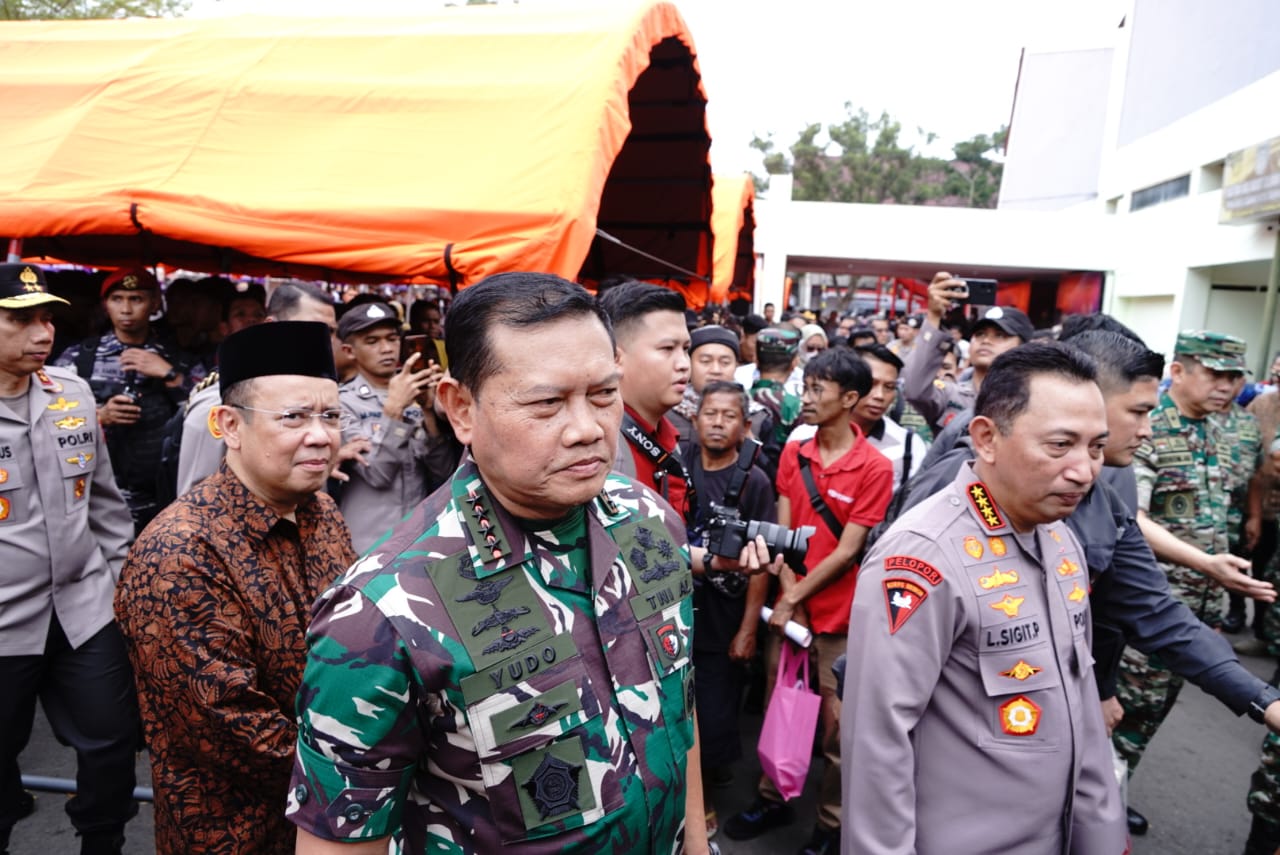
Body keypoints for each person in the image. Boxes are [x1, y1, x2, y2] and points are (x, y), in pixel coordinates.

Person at [287, 272, 742, 854]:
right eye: (546, 403)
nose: (586, 429)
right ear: (461, 409)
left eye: (604, 395)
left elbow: (680, 708)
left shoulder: (648, 522)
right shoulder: (380, 614)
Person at [841, 341, 1127, 854]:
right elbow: (878, 745)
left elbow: (1081, 707)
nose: (1085, 470)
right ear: (986, 438)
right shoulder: (922, 559)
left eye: (1096, 447)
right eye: (1060, 445)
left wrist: (1104, 838)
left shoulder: (1061, 539)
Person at [115, 321, 357, 854]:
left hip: (338, 810)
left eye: (331, 416)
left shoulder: (320, 510)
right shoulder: (180, 551)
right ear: (229, 425)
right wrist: (369, 773)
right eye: (293, 417)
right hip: (237, 829)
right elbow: (231, 729)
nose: (320, 434)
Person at [724, 348, 894, 855]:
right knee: (784, 710)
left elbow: (847, 552)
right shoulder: (795, 453)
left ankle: (829, 823)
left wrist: (791, 595)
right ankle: (773, 797)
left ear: (850, 399)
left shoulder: (874, 467)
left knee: (838, 732)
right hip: (792, 612)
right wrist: (787, 594)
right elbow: (782, 535)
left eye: (820, 389)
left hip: (840, 621)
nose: (808, 397)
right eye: (808, 385)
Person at [0, 264, 139, 855]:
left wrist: (122, 583)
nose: (42, 332)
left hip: (84, 609)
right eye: (21, 320)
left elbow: (106, 503)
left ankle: (101, 844)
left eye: (46, 317)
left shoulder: (73, 393)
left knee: (112, 742)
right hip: (5, 622)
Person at [685, 381, 775, 834]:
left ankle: (703, 799)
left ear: (744, 426)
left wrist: (748, 629)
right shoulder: (678, 466)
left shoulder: (755, 481)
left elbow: (761, 564)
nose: (718, 422)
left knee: (717, 711)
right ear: (695, 418)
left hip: (724, 618)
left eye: (728, 416)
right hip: (680, 612)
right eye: (710, 413)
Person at [176, 281, 357, 497]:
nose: (323, 341)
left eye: (330, 331)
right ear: (271, 326)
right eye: (310, 329)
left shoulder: (322, 397)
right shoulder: (221, 402)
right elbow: (197, 499)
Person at [54, 266, 194, 532]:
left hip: (160, 495)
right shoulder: (80, 357)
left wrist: (170, 375)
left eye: (136, 299)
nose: (126, 309)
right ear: (105, 305)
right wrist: (99, 416)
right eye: (117, 299)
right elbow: (48, 416)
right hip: (93, 492)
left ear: (154, 304)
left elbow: (206, 419)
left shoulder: (178, 358)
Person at [336, 301, 458, 553]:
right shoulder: (340, 404)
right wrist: (393, 412)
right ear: (349, 351)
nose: (386, 349)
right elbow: (377, 474)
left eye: (392, 339)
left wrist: (427, 412)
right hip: (366, 547)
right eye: (372, 341)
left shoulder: (414, 394)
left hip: (418, 542)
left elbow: (444, 473)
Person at [600, 280, 694, 519]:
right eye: (667, 349)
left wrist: (707, 559)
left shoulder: (666, 436)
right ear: (616, 358)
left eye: (685, 348)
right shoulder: (601, 448)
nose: (684, 364)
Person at [902, 271, 1030, 435]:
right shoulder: (950, 394)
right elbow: (915, 390)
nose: (986, 341)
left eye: (1000, 335)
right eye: (980, 334)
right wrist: (934, 315)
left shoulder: (1031, 399)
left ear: (1023, 347)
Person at [669, 325, 741, 445]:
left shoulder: (755, 416)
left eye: (725, 362)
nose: (716, 370)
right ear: (688, 363)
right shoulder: (667, 411)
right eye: (705, 361)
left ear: (736, 366)